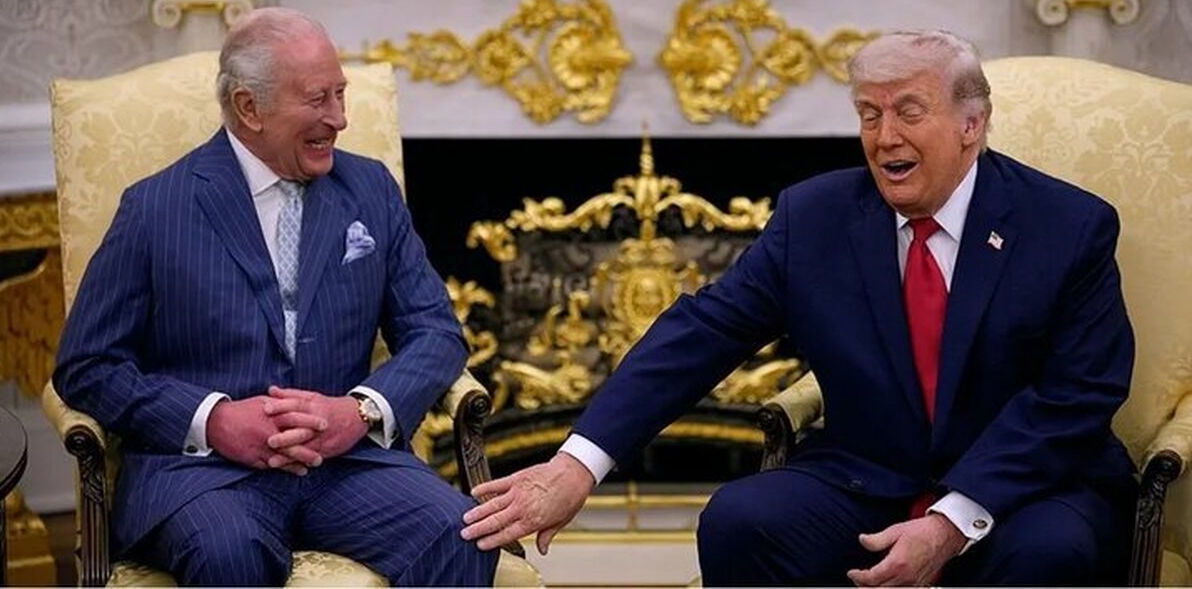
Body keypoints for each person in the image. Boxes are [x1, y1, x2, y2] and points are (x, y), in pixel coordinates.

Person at [461, 30, 1136, 585]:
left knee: (1051, 553)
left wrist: (951, 521)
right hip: (870, 477)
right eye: (868, 115)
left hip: (1026, 487)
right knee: (742, 520)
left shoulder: (1068, 227)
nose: (884, 136)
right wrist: (577, 464)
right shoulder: (815, 216)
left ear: (971, 124)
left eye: (908, 111)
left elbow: (1077, 395)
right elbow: (704, 330)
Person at [53, 7, 497, 586]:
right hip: (207, 476)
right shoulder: (155, 209)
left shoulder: (370, 189)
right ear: (249, 108)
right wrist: (212, 420)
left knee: (462, 533)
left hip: (347, 463)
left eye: (341, 94)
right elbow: (88, 365)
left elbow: (436, 334)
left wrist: (358, 410)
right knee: (227, 552)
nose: (339, 118)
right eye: (318, 99)